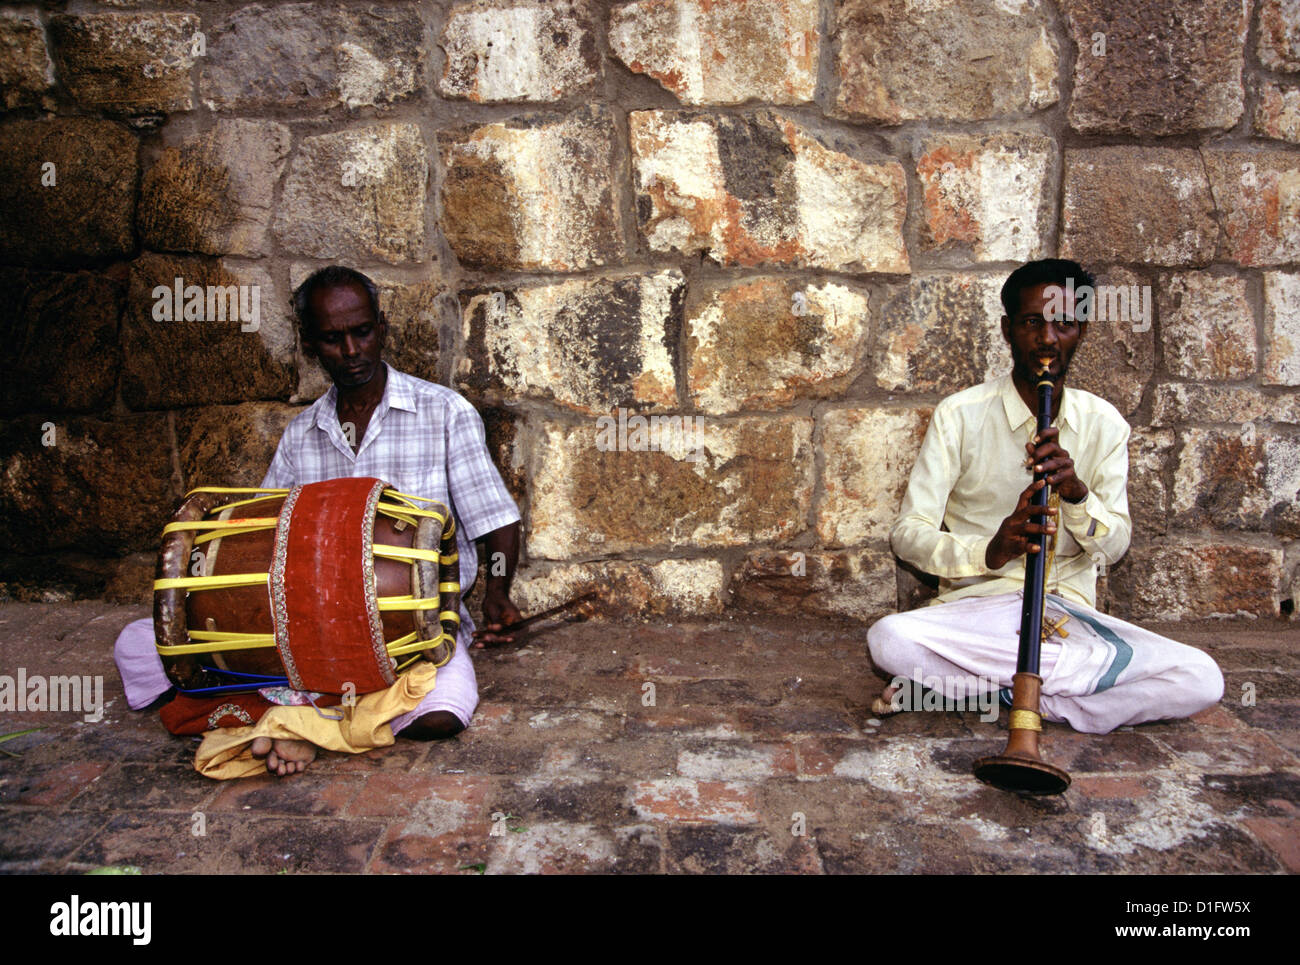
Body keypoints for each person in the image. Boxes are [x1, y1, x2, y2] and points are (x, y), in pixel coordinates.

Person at [113, 266, 523, 775]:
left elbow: (497, 520)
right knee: (137, 645)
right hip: (311, 637)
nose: (351, 351)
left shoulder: (445, 413)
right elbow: (258, 539)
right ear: (310, 346)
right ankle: (327, 720)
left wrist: (498, 593)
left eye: (362, 332)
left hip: (413, 640)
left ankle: (296, 721)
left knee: (445, 711)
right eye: (333, 339)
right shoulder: (301, 434)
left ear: (382, 328)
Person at [866, 259, 1223, 735]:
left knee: (1201, 679)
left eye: (1064, 324)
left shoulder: (1105, 425)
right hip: (980, 614)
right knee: (889, 640)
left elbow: (1114, 546)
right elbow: (907, 536)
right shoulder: (960, 416)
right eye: (1033, 322)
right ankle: (1061, 697)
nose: (1048, 339)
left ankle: (997, 694)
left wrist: (1076, 495)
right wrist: (989, 551)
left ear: (1081, 331)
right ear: (1007, 329)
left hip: (1066, 618)